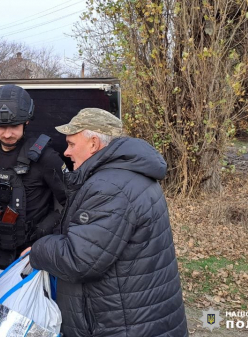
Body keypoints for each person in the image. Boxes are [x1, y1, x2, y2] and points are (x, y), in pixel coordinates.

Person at [27, 108, 188, 337]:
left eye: (72, 144)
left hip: (123, 323)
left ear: (93, 144)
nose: (66, 152)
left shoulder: (110, 187)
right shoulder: (126, 174)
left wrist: (39, 249)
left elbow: (79, 260)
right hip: (138, 314)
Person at [0, 84, 67, 268]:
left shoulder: (45, 157)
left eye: (14, 126)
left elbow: (70, 202)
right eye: (1, 127)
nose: (7, 134)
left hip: (29, 255)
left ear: (26, 122)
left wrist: (43, 238)